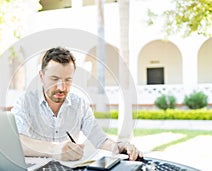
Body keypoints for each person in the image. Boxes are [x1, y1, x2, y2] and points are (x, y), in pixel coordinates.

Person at [12, 47, 143, 161]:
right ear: (41, 76)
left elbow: (99, 139)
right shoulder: (25, 102)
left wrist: (119, 147)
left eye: (67, 80)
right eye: (54, 79)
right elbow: (16, 142)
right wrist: (55, 149)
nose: (61, 87)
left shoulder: (79, 104)